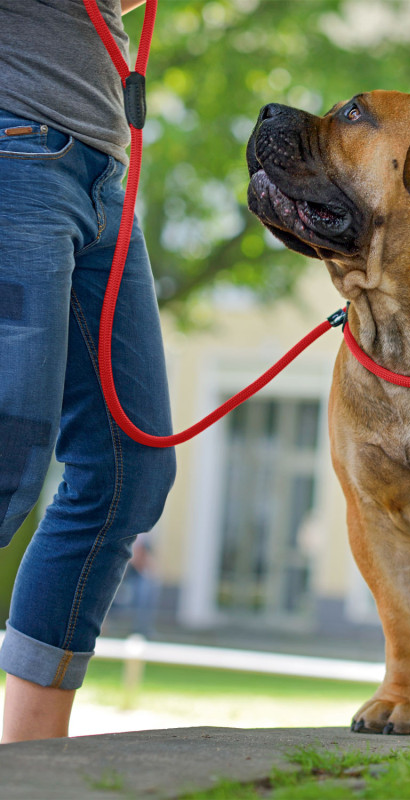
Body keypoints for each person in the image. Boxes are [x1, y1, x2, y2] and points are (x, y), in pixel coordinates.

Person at [0, 0, 176, 742]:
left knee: (126, 471)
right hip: (15, 146)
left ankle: (32, 758)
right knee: (8, 462)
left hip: (104, 173)